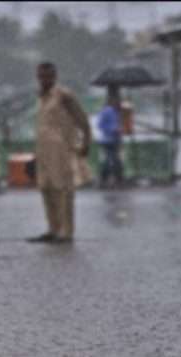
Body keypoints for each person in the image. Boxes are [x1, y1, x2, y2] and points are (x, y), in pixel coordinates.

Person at [28, 62, 92, 245]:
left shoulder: (64, 95)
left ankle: (66, 232)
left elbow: (82, 119)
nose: (44, 80)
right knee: (46, 189)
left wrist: (86, 141)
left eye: (48, 76)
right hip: (43, 151)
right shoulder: (40, 98)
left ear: (54, 76)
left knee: (63, 189)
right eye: (41, 76)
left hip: (62, 150)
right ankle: (53, 229)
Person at [96, 89, 124, 189]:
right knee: (111, 160)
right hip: (108, 139)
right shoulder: (107, 111)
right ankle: (106, 179)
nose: (118, 103)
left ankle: (112, 179)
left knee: (114, 160)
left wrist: (118, 130)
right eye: (116, 101)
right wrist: (113, 129)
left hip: (113, 139)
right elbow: (100, 125)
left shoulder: (115, 112)